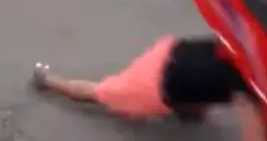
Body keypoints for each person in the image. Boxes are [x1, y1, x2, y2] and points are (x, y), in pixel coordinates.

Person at [32, 37, 246, 122]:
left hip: (172, 58)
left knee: (194, 101)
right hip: (153, 84)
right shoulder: (247, 88)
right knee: (98, 93)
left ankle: (188, 111)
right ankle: (47, 81)